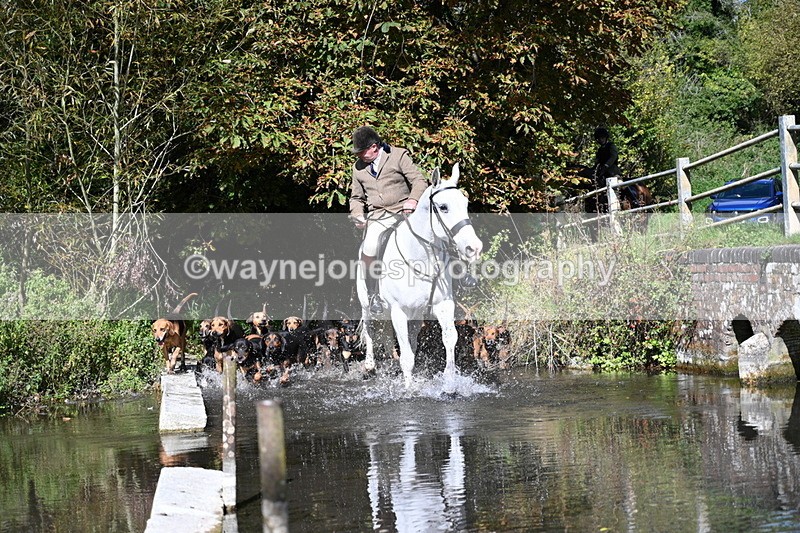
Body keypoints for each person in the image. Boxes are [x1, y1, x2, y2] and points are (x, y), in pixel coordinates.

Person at [349, 126, 428, 315]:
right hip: (379, 216)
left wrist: (413, 199)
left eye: (362, 151)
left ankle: (457, 279)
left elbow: (419, 181)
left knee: (436, 233)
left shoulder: (398, 156)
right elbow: (356, 198)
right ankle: (373, 294)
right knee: (369, 247)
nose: (359, 155)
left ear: (374, 147)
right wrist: (358, 215)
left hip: (405, 212)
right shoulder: (358, 168)